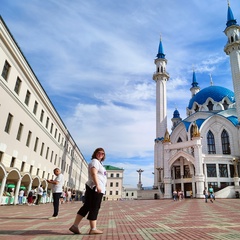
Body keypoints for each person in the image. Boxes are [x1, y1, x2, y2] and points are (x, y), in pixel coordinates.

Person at [69, 148, 107, 235]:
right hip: (94, 187)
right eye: (99, 153)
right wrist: (97, 185)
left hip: (94, 187)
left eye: (102, 153)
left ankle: (75, 226)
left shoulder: (100, 164)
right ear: (95, 153)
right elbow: (93, 173)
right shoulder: (95, 161)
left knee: (87, 206)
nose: (100, 154)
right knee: (94, 207)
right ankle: (93, 228)